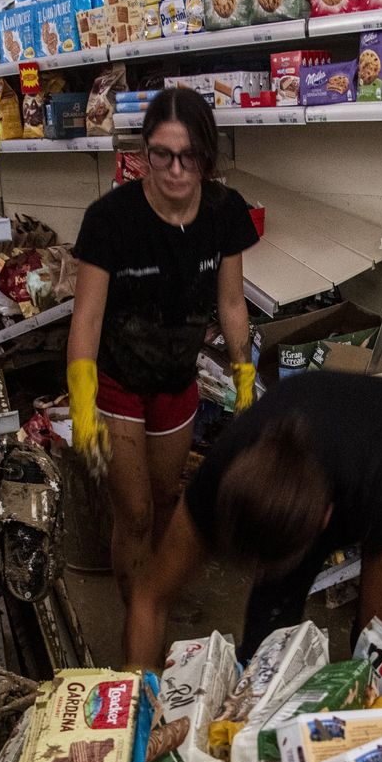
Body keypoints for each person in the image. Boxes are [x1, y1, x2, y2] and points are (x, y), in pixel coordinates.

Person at [66, 88, 261, 612]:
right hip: (118, 382)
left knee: (167, 498)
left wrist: (246, 384)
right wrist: (82, 410)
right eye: (161, 154)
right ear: (144, 152)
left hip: (178, 378)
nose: (175, 170)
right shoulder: (110, 219)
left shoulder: (225, 212)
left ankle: (157, 587)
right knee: (133, 515)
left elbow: (233, 303)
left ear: (206, 155)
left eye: (189, 156)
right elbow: (85, 318)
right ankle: (140, 613)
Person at [124, 370, 382, 667]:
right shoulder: (216, 480)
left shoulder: (380, 492)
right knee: (266, 642)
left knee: (370, 650)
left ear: (324, 519)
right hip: (320, 443)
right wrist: (140, 700)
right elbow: (149, 598)